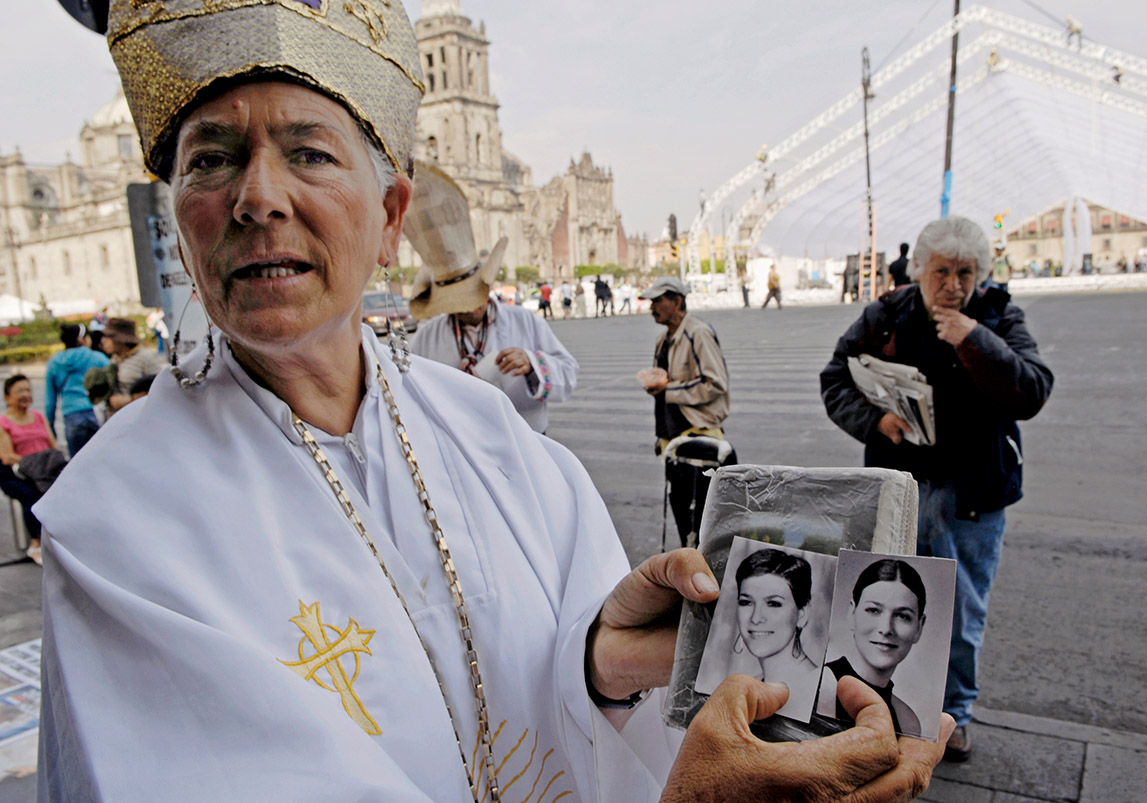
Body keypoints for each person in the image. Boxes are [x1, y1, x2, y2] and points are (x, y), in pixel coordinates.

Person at [35, 2, 950, 800]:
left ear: (392, 217)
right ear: (177, 219)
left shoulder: (485, 429)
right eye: (212, 159)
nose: (258, 197)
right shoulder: (119, 522)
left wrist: (598, 653)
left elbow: (510, 675)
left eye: (309, 152)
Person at [820, 215, 1053, 762]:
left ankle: (956, 715)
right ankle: (876, 708)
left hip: (971, 495)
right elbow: (836, 378)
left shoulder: (997, 315)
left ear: (981, 274)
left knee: (961, 614)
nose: (953, 284)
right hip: (900, 488)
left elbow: (1032, 389)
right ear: (919, 271)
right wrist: (876, 422)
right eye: (942, 272)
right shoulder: (885, 316)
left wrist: (975, 340)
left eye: (965, 272)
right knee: (882, 607)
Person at [407, 173, 578, 436]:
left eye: (472, 297)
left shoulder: (525, 320)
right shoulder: (427, 337)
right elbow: (410, 393)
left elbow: (568, 373)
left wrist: (532, 364)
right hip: (461, 446)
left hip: (525, 439)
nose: (467, 308)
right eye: (458, 302)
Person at [640, 276, 735, 546]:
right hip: (673, 443)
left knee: (703, 526)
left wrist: (668, 390)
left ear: (677, 301)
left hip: (700, 440)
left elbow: (715, 382)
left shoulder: (698, 332)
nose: (652, 308)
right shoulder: (662, 340)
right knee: (684, 524)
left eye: (658, 301)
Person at [817, 559, 926, 736]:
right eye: (874, 610)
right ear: (852, 613)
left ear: (919, 627)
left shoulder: (907, 721)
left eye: (902, 616)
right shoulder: (822, 686)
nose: (886, 629)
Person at [734, 548, 820, 693]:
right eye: (746, 602)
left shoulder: (820, 688)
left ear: (802, 614)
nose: (756, 618)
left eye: (773, 604)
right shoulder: (750, 685)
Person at [0, 374, 59, 565]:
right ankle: (36, 542)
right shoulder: (3, 422)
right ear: (7, 397)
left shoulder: (39, 417)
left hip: (44, 471)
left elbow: (53, 446)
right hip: (17, 474)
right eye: (19, 391)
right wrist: (34, 463)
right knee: (32, 494)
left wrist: (43, 464)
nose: (25, 394)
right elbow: (7, 456)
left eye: (28, 390)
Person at [44, 323, 109, 456]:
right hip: (96, 412)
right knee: (103, 458)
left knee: (77, 463)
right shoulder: (97, 357)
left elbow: (49, 403)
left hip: (71, 416)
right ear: (81, 339)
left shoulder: (54, 363)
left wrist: (51, 429)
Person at [100, 318, 162, 414]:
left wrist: (129, 400)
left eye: (109, 337)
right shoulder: (114, 360)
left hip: (140, 418)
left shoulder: (145, 358)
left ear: (121, 339)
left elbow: (161, 390)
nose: (104, 341)